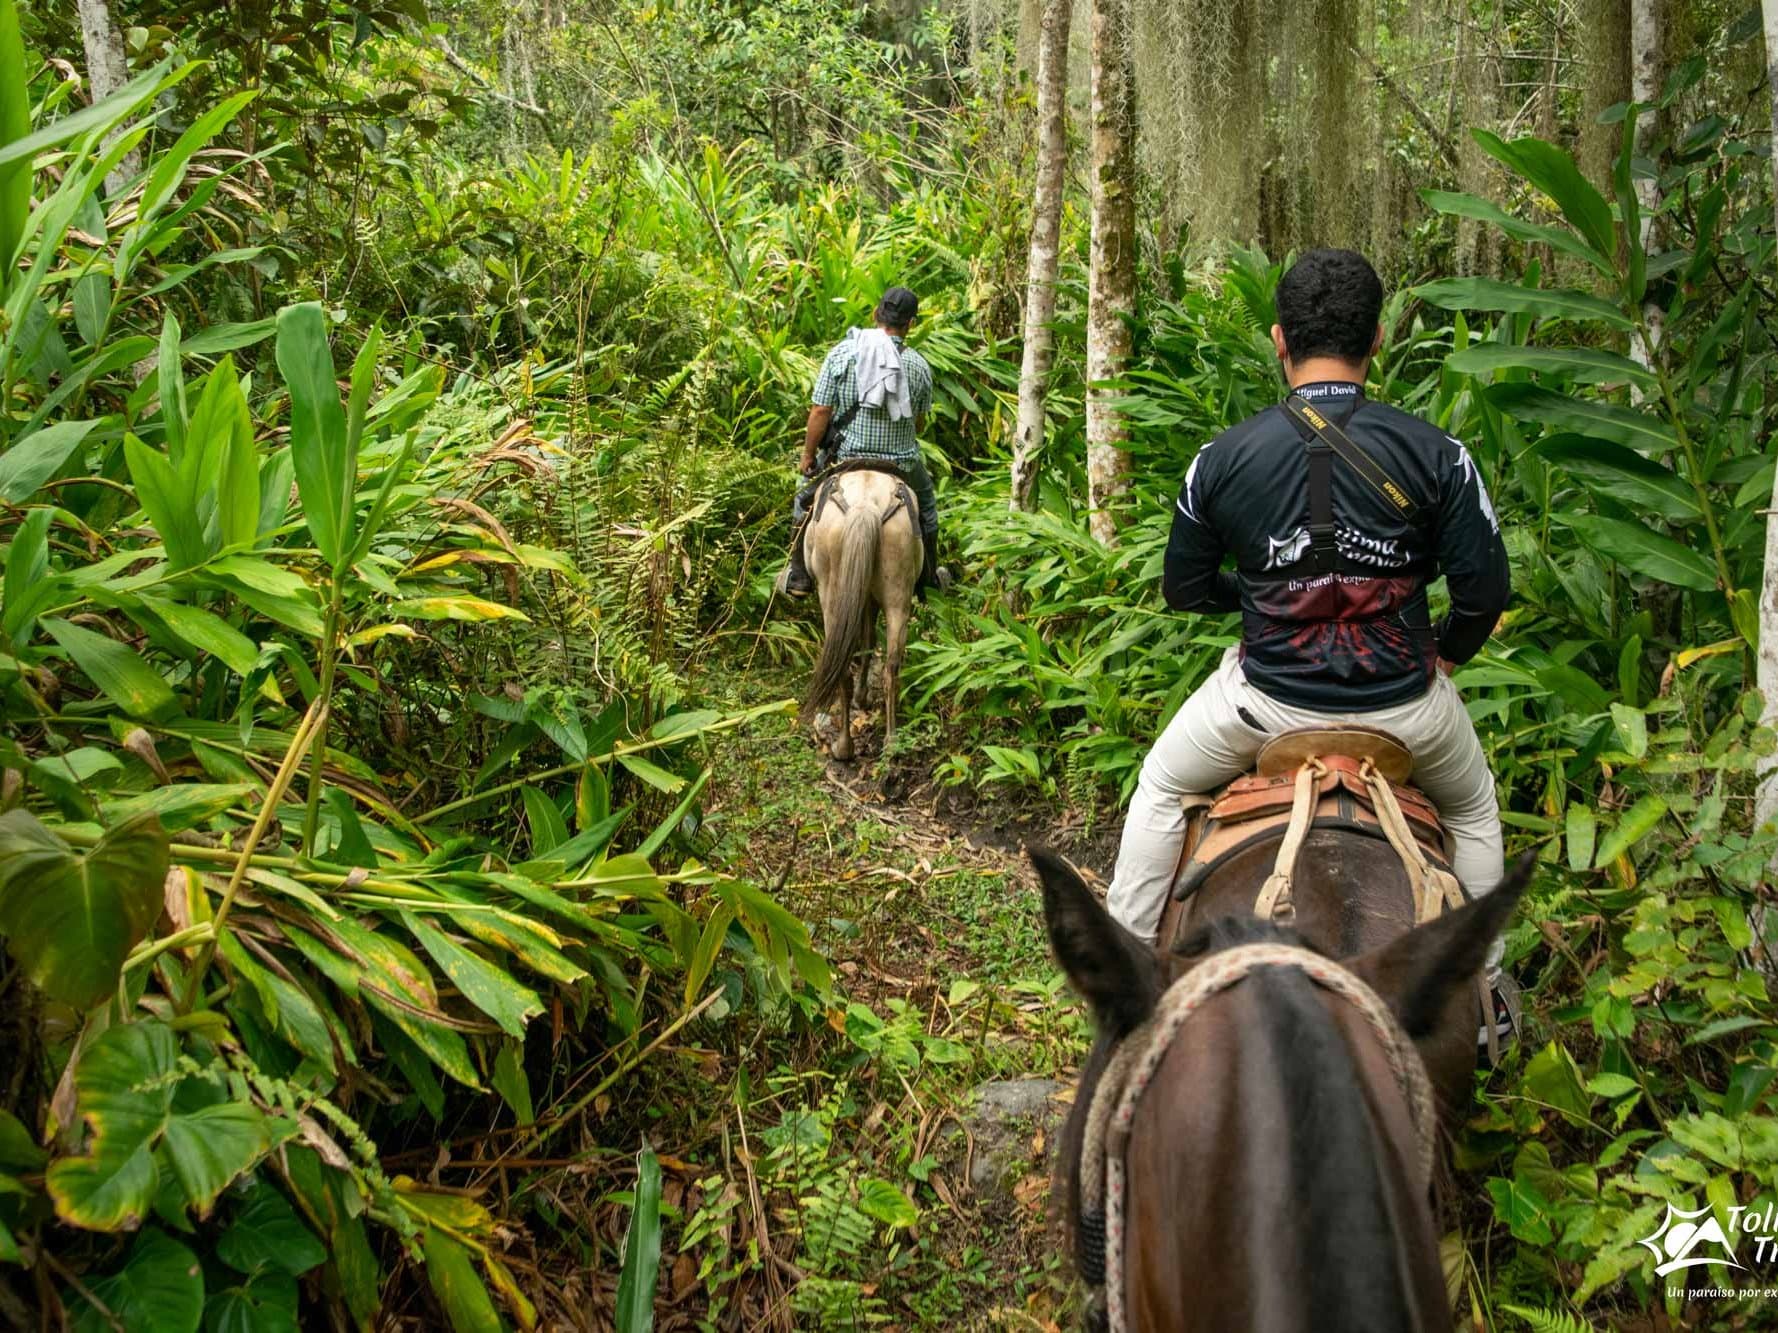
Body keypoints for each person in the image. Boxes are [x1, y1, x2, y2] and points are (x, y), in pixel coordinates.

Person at [1105, 248, 1517, 1049]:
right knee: (1472, 807)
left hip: (1264, 706)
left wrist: (1255, 597)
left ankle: (1123, 983)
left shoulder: (1220, 459)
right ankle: (1491, 996)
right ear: (1380, 338)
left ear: (1278, 339)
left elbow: (1185, 589)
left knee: (1158, 788)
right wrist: (1445, 655)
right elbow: (1484, 592)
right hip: (1406, 707)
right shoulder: (1441, 456)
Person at [776, 287, 948, 598]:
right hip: (900, 463)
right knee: (927, 507)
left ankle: (799, 574)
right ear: (911, 324)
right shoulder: (919, 366)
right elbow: (918, 423)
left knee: (804, 498)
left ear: (875, 314)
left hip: (845, 459)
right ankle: (927, 579)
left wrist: (808, 454)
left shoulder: (843, 353)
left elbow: (820, 411)